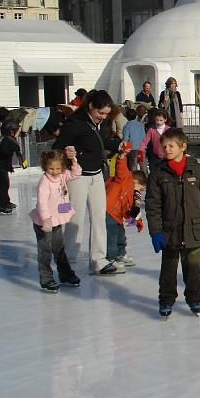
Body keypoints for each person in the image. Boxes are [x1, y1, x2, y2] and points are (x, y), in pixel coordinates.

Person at [146, 128, 200, 317]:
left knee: (193, 268)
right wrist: (156, 232)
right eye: (164, 146)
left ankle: (194, 297)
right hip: (169, 230)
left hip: (192, 228)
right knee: (168, 268)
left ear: (182, 147)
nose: (166, 149)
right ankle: (166, 300)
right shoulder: (158, 173)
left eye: (171, 146)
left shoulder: (198, 170)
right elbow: (152, 204)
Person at [52, 90, 115, 275]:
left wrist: (117, 145)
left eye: (105, 114)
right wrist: (69, 153)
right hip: (77, 177)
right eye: (100, 113)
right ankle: (69, 263)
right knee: (75, 219)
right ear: (90, 106)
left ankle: (98, 260)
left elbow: (101, 141)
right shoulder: (75, 123)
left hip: (96, 175)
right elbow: (57, 147)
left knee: (98, 218)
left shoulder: (99, 124)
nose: (102, 117)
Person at [29, 147, 82, 292]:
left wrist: (73, 159)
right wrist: (46, 220)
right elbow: (42, 203)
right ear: (45, 166)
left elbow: (77, 173)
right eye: (51, 168)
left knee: (59, 248)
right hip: (43, 223)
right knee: (45, 251)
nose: (55, 171)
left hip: (56, 220)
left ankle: (65, 274)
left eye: (58, 168)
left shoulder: (62, 175)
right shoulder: (44, 182)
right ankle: (46, 279)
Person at [105, 145, 147, 270]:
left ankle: (120, 254)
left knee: (121, 236)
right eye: (140, 189)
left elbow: (132, 211)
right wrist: (122, 156)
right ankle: (110, 259)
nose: (140, 192)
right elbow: (121, 168)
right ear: (135, 182)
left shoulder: (132, 195)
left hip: (117, 216)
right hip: (108, 212)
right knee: (111, 238)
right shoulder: (124, 179)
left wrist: (137, 222)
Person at [0, 120, 27, 214]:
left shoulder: (4, 139)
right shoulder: (8, 141)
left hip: (2, 167)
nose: (18, 132)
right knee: (3, 186)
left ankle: (6, 202)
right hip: (0, 168)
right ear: (11, 131)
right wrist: (24, 164)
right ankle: (2, 206)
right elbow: (6, 153)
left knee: (5, 186)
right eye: (16, 130)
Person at [122, 106, 146, 171]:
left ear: (126, 116)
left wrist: (123, 150)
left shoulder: (127, 126)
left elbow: (125, 139)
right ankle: (145, 179)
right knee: (143, 166)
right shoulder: (141, 124)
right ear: (136, 116)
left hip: (132, 149)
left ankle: (134, 180)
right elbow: (144, 136)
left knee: (133, 167)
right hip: (141, 148)